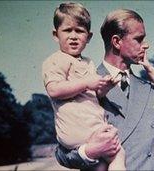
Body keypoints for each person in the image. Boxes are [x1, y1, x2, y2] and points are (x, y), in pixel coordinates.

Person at [55, 9, 154, 170]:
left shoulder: (153, 92)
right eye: (139, 39)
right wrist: (90, 151)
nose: (145, 45)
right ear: (116, 41)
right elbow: (62, 153)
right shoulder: (79, 85)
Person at [42, 2, 125, 170]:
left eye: (79, 31)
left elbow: (94, 96)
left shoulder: (88, 62)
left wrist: (104, 88)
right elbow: (53, 90)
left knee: (103, 164)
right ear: (55, 34)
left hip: (91, 126)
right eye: (67, 30)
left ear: (89, 37)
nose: (73, 36)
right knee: (118, 153)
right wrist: (86, 82)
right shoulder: (55, 60)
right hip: (77, 128)